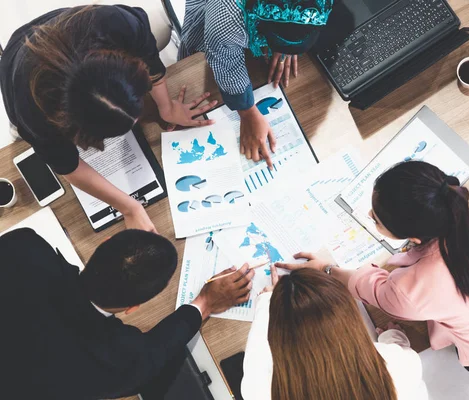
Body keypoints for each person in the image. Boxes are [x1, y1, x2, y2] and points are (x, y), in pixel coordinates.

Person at [277, 161, 469, 389]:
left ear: (415, 239)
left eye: (377, 218)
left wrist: (326, 269)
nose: (370, 216)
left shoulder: (409, 289)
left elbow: (367, 286)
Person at [0, 5, 218, 232]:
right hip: (18, 61)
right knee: (22, 135)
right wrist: (129, 207)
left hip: (67, 29)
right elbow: (68, 166)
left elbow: (149, 58)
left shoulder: (115, 23)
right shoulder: (31, 112)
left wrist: (166, 105)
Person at [0, 227, 254, 399]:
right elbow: (156, 351)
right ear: (133, 308)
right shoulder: (116, 359)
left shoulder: (24, 246)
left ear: (105, 241)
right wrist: (206, 302)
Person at [178, 0, 333, 168]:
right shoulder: (227, 14)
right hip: (213, 28)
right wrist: (246, 112)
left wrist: (290, 41)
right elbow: (224, 59)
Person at [241, 266, 428, 400]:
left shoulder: (260, 389)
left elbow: (256, 350)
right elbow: (401, 347)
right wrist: (392, 335)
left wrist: (267, 301)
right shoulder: (399, 364)